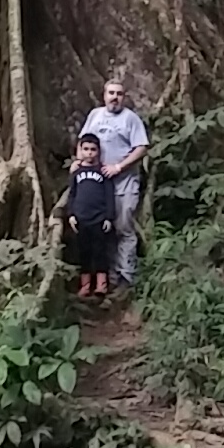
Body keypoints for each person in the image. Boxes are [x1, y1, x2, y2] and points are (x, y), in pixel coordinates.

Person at [77, 80, 149, 290]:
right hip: (98, 186)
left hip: (124, 183)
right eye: (111, 93)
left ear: (124, 97)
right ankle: (107, 278)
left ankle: (125, 277)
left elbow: (141, 147)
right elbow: (83, 141)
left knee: (123, 227)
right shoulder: (95, 115)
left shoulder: (131, 119)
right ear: (104, 95)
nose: (114, 97)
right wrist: (80, 164)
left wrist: (119, 167)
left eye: (119, 93)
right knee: (103, 230)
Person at [67, 132, 115, 297]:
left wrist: (109, 216)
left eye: (93, 149)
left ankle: (101, 284)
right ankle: (85, 285)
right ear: (80, 150)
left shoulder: (103, 171)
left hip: (99, 218)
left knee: (100, 251)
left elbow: (110, 195)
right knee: (84, 252)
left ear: (98, 151)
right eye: (86, 149)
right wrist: (71, 214)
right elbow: (72, 193)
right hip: (81, 219)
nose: (89, 153)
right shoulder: (77, 172)